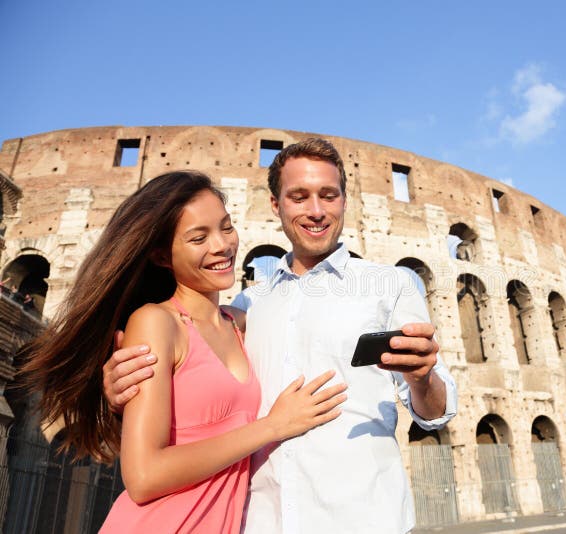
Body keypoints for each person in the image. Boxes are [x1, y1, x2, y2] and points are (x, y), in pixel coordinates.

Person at [105, 138, 458, 533]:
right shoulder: (247, 307)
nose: (316, 211)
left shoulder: (390, 285)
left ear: (345, 199)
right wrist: (124, 389)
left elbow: (434, 414)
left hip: (363, 519)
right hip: (261, 522)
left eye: (329, 195)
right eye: (299, 196)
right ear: (276, 205)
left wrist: (423, 379)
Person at [21, 171, 346, 533]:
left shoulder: (239, 324)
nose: (222, 245)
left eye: (226, 227)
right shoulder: (156, 322)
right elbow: (143, 477)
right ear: (161, 255)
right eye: (198, 237)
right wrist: (272, 426)